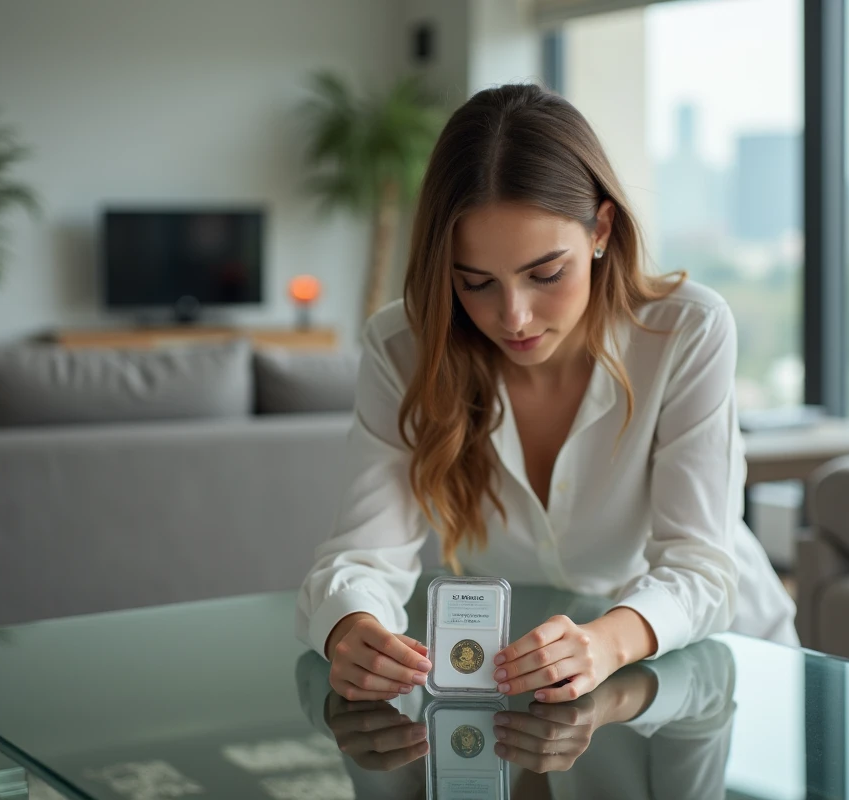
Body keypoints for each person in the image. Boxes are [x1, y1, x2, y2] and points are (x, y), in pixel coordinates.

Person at [296, 82, 796, 706]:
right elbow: (360, 558)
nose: (515, 317)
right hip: (523, 679)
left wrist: (608, 642)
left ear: (602, 229)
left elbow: (700, 566)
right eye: (475, 283)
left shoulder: (686, 332)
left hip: (714, 671)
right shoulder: (403, 347)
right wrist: (353, 628)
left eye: (546, 274)